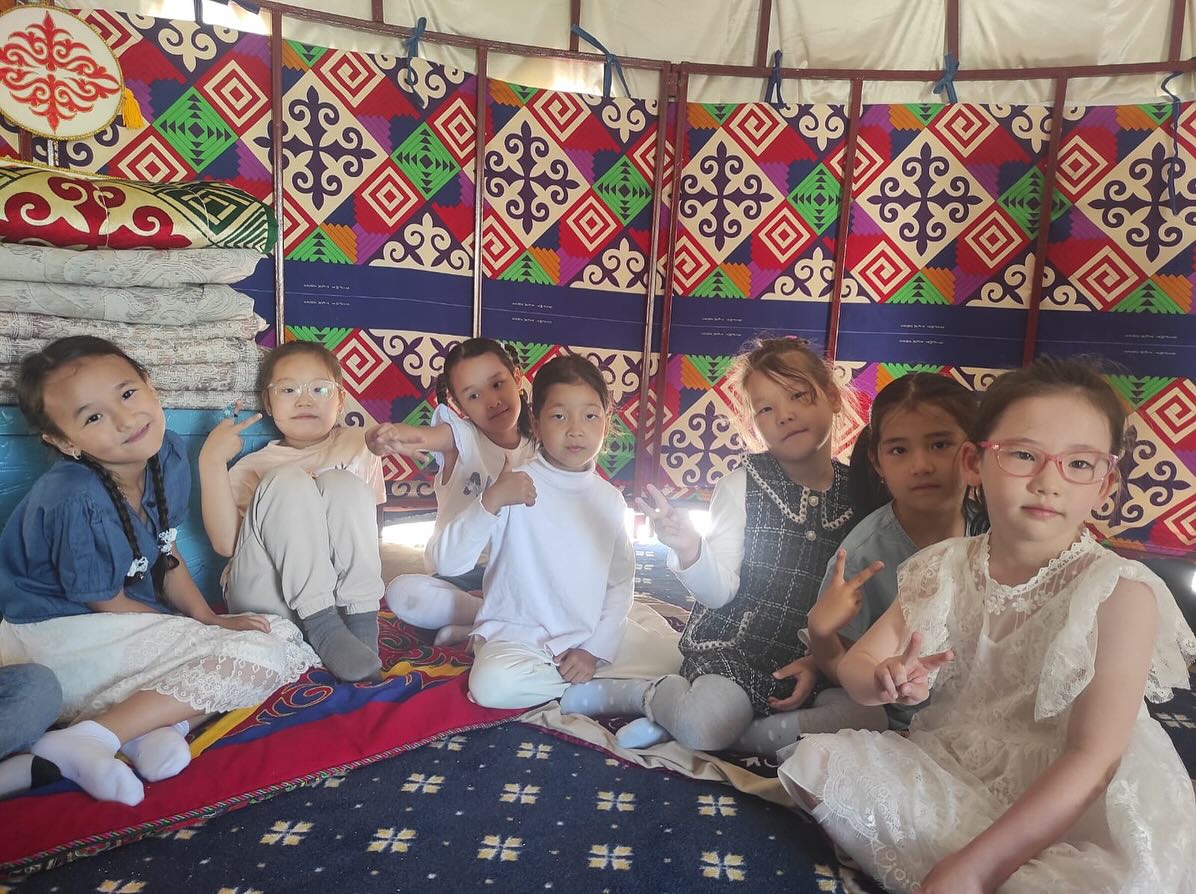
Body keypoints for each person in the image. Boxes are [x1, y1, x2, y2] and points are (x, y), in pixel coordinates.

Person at [779, 357, 1196, 893]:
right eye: (1023, 455)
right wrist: (881, 678)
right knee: (818, 761)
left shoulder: (1120, 593)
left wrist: (975, 869)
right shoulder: (943, 565)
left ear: (1104, 484)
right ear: (975, 462)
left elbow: (1092, 761)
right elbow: (860, 665)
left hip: (1076, 795)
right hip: (958, 760)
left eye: (1079, 463)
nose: (1048, 481)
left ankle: (984, 865)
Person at [0, 337, 316, 805]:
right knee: (260, 654)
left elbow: (166, 552)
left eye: (127, 394)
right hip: (55, 635)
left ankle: (155, 728)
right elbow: (103, 599)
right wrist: (194, 632)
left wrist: (207, 619)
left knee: (277, 632)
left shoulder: (164, 454)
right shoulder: (72, 496)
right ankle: (88, 738)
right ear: (64, 441)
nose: (125, 419)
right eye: (93, 417)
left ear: (149, 385)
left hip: (112, 627)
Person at [434, 354, 680, 710]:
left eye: (590, 416)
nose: (575, 429)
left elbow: (619, 583)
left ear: (607, 422)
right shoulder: (511, 484)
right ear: (535, 423)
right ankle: (599, 693)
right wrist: (491, 501)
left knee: (676, 661)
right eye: (559, 416)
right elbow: (447, 563)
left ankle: (578, 680)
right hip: (520, 638)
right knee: (492, 687)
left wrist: (593, 650)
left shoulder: (609, 500)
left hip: (585, 633)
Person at [201, 341, 392, 682]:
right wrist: (211, 461)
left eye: (320, 389)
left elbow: (366, 528)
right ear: (268, 403)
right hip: (268, 599)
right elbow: (226, 544)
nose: (304, 400)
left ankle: (362, 623)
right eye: (288, 390)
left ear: (341, 400)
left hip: (343, 603)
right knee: (287, 481)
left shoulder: (360, 444)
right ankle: (321, 625)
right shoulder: (253, 466)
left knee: (343, 484)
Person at [381, 338, 537, 645]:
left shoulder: (540, 447)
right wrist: (390, 435)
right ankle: (495, 618)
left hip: (517, 577)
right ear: (459, 406)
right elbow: (422, 436)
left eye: (497, 384)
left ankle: (478, 625)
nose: (492, 401)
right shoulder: (461, 437)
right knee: (403, 593)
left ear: (517, 377)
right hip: (458, 579)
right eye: (474, 396)